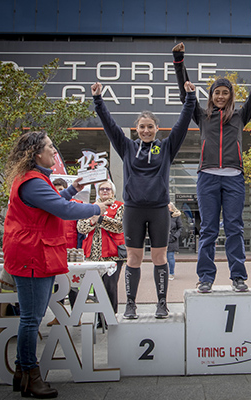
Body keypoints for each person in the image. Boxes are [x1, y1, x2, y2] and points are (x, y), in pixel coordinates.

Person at [3, 131, 112, 398]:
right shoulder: (33, 182)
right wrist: (97, 208)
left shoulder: (34, 180)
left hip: (34, 252)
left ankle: (21, 373)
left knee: (31, 318)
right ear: (35, 153)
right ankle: (31, 374)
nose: (55, 151)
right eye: (50, 147)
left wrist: (73, 189)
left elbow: (53, 202)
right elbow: (64, 210)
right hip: (33, 255)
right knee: (31, 320)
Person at [92, 79, 196, 319]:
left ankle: (162, 303)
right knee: (133, 258)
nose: (146, 130)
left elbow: (181, 126)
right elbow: (110, 126)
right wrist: (98, 100)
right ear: (136, 129)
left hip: (159, 209)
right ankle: (130, 304)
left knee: (159, 257)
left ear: (157, 128)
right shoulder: (127, 147)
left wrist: (190, 99)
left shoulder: (166, 148)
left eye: (150, 126)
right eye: (142, 127)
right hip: (134, 210)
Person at [172, 42, 251, 293]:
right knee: (208, 229)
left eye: (225, 92)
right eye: (217, 92)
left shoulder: (240, 116)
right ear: (211, 95)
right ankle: (205, 277)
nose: (221, 96)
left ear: (230, 96)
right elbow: (186, 95)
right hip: (207, 178)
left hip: (234, 178)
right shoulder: (201, 116)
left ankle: (238, 276)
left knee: (235, 227)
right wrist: (179, 61)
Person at [77, 180, 125, 327]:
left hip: (113, 254)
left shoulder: (120, 206)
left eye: (108, 189)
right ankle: (99, 319)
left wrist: (100, 219)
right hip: (93, 255)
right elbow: (80, 227)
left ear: (113, 191)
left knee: (110, 287)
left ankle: (110, 317)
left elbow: (120, 226)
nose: (105, 191)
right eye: (102, 189)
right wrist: (92, 222)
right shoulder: (90, 207)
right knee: (97, 288)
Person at [46, 178, 83, 327]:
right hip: (54, 252)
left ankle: (76, 315)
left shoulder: (74, 206)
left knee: (73, 285)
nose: (58, 192)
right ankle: (59, 316)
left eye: (61, 189)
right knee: (57, 286)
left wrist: (79, 250)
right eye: (55, 189)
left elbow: (80, 232)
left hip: (72, 251)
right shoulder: (48, 207)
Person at [167, 202, 183, 280]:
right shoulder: (162, 216)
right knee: (161, 258)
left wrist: (175, 236)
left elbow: (180, 228)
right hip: (162, 240)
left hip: (172, 239)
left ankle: (171, 273)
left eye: (168, 208)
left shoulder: (176, 217)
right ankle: (163, 272)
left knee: (170, 257)